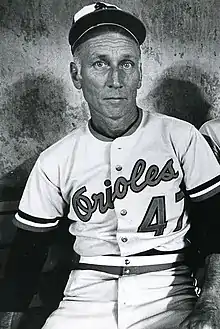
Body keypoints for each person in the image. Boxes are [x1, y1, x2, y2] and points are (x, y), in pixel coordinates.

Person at [1, 2, 220, 329]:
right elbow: (25, 258)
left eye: (127, 64)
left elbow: (217, 228)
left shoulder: (181, 137)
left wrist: (212, 304)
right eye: (100, 64)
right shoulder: (55, 160)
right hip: (86, 294)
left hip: (168, 289)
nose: (115, 79)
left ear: (140, 74)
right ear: (77, 75)